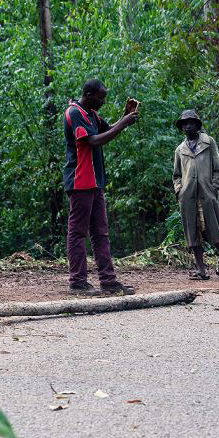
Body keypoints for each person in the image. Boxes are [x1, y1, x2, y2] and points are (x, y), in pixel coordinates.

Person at [63, 78, 138, 295]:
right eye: (101, 98)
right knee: (78, 232)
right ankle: (77, 282)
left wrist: (124, 117)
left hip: (95, 181)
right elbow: (94, 140)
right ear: (88, 95)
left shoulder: (92, 114)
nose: (103, 102)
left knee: (100, 232)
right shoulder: (75, 113)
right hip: (80, 180)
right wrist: (123, 123)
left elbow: (109, 130)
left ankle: (109, 281)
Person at [172, 109, 219, 280]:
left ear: (197, 125)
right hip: (188, 195)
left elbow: (217, 167)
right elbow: (176, 174)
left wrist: (215, 187)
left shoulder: (208, 142)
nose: (188, 126)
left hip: (207, 191)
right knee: (192, 229)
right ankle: (201, 269)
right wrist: (179, 190)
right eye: (185, 123)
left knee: (212, 226)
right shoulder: (180, 149)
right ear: (182, 127)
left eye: (191, 122)